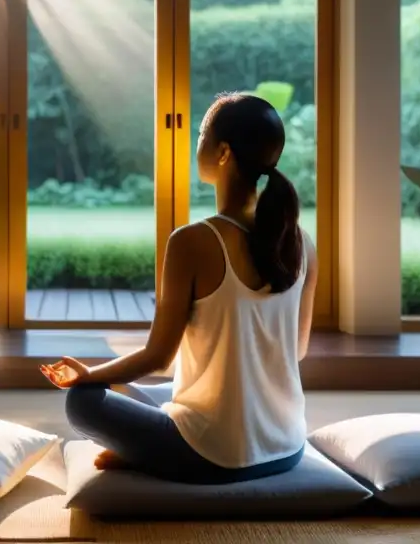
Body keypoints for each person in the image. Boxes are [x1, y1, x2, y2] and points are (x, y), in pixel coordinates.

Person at [40, 92, 318, 485]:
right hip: (286, 446)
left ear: (222, 153)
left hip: (214, 456)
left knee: (84, 402)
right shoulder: (303, 244)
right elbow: (297, 350)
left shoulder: (193, 241)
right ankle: (149, 447)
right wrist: (104, 373)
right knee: (140, 386)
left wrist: (86, 377)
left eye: (202, 133)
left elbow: (157, 357)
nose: (197, 143)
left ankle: (149, 456)